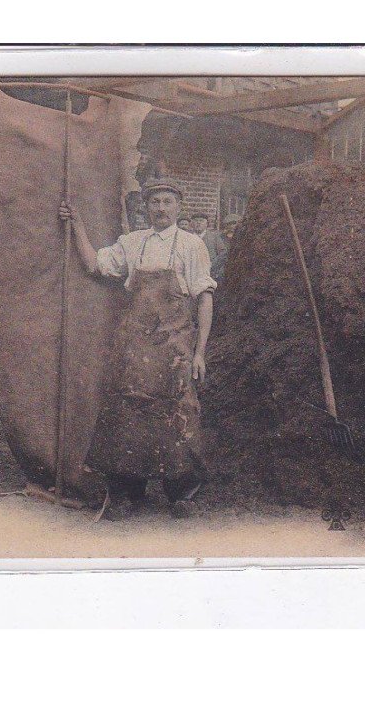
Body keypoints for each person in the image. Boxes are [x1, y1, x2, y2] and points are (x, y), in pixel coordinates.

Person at [59, 177, 216, 518]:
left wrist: (199, 353)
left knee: (179, 412)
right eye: (155, 202)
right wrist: (77, 225)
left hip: (175, 346)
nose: (161, 208)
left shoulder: (192, 246)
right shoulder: (131, 243)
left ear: (178, 207)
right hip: (135, 345)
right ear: (146, 208)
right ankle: (127, 493)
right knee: (128, 414)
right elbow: (93, 264)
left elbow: (204, 298)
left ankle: (181, 494)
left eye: (167, 202)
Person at [191, 211, 228, 281]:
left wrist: (212, 264)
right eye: (196, 221)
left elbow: (223, 253)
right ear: (192, 224)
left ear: (206, 224)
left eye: (201, 221)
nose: (198, 223)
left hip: (210, 273)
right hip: (191, 273)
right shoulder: (187, 237)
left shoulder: (214, 237)